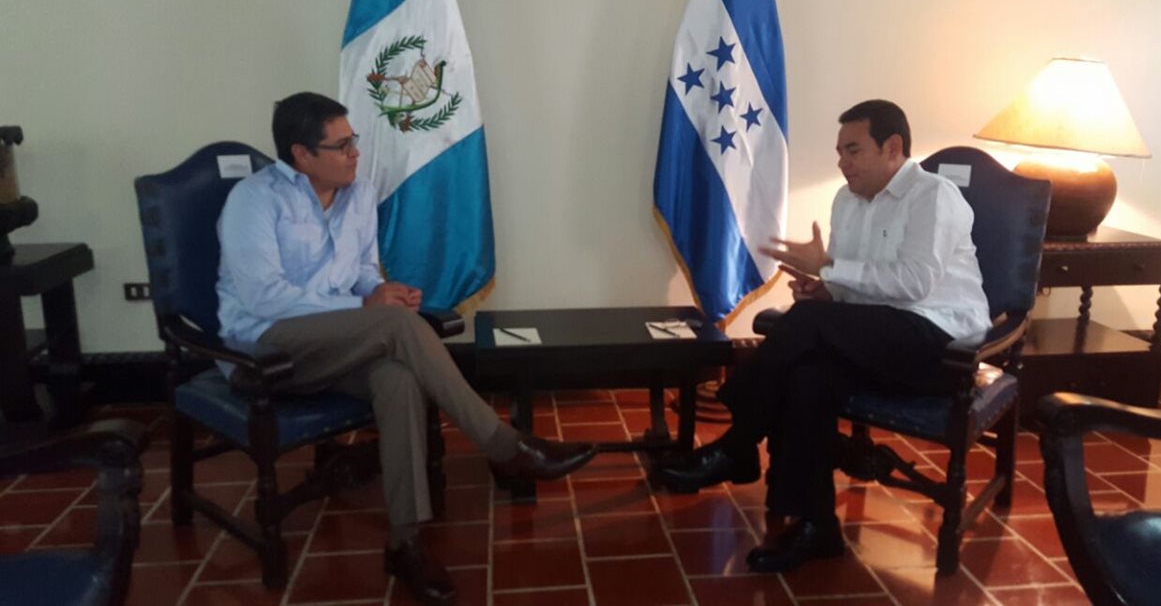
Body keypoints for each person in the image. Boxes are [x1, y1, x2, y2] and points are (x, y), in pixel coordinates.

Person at [216, 91, 597, 604]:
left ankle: (406, 542)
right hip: (264, 344)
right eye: (341, 145)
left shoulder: (358, 192)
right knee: (396, 329)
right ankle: (504, 446)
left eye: (354, 141)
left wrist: (379, 292)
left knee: (396, 377)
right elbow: (265, 297)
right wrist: (368, 311)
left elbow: (361, 274)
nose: (355, 153)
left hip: (334, 342)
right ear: (300, 155)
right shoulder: (255, 200)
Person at [656, 99, 991, 573]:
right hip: (875, 338)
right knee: (808, 376)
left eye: (853, 150)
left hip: (940, 346)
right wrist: (826, 289)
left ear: (892, 147)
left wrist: (831, 269)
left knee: (805, 324)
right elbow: (860, 285)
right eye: (839, 151)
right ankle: (817, 526)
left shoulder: (934, 197)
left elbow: (916, 283)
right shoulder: (846, 199)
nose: (842, 162)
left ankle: (737, 444)